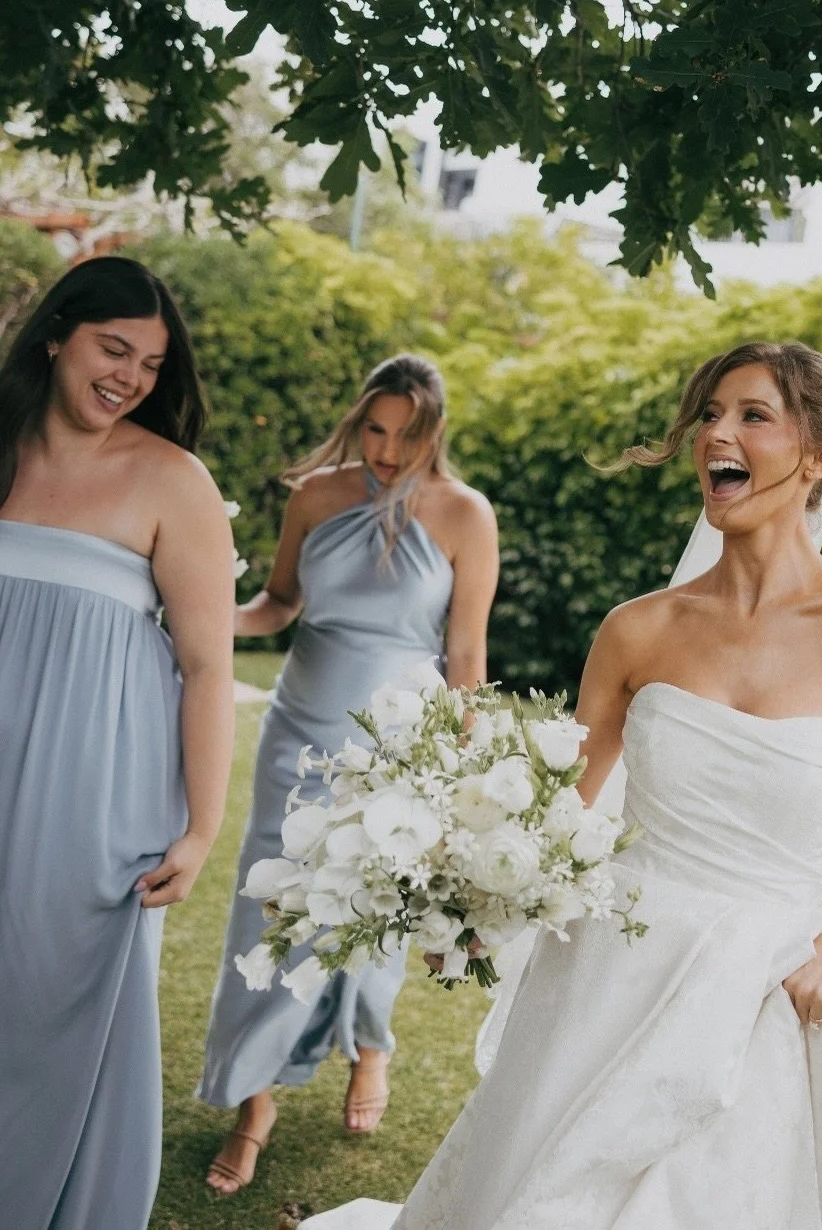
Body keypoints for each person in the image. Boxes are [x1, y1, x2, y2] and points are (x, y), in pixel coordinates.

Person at [297, 338, 822, 1230]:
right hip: (599, 976)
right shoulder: (639, 630)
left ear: (821, 457)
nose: (714, 435)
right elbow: (564, 808)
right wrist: (468, 907)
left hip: (756, 985)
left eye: (751, 415)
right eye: (708, 414)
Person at [199, 354, 499, 1196]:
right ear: (357, 420)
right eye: (375, 429)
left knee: (379, 909)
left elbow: (466, 654)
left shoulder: (467, 516)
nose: (389, 451)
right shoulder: (316, 496)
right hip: (300, 726)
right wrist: (199, 612)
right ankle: (253, 1103)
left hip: (400, 741)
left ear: (435, 433)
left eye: (408, 435)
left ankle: (372, 1047)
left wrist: (464, 769)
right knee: (271, 907)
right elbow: (277, 603)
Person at [0, 255, 236, 1230]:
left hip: (91, 804)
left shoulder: (170, 479)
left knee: (57, 1005)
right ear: (56, 333)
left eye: (150, 360)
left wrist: (201, 827)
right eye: (113, 347)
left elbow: (209, 666)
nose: (131, 374)